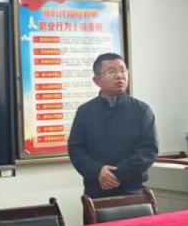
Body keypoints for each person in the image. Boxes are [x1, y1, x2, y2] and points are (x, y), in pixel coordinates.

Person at [67, 53, 158, 198]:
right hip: (96, 191)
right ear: (97, 80)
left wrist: (116, 174)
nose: (119, 76)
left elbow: (148, 150)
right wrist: (98, 171)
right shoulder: (85, 111)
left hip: (133, 192)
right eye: (111, 71)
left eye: (123, 70)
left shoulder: (141, 110)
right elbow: (76, 149)